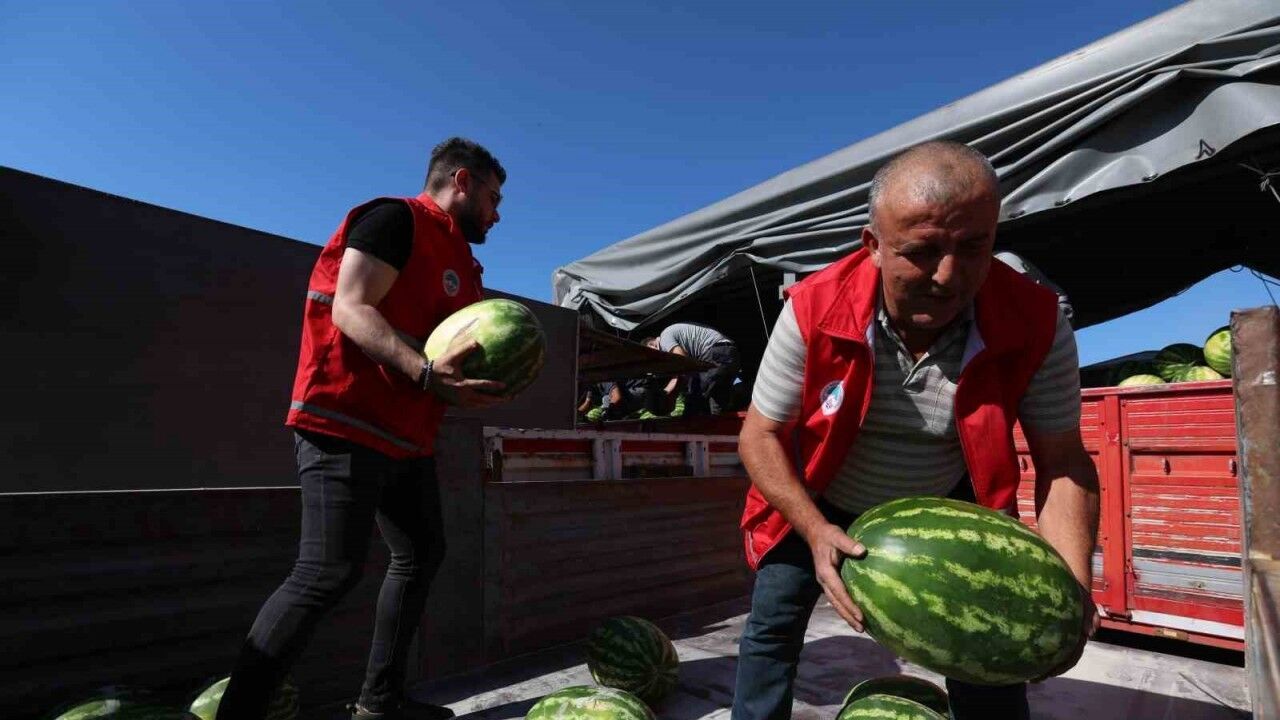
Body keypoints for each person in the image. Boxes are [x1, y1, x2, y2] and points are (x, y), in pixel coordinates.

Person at [732, 141, 1100, 720]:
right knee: (771, 630)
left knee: (987, 657)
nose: (949, 276)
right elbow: (759, 435)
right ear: (874, 246)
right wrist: (815, 529)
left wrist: (1071, 591)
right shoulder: (813, 309)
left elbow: (1064, 461)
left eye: (973, 247)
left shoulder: (1035, 319)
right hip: (818, 496)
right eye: (922, 252)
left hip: (948, 496)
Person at [218, 137, 509, 720]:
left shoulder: (461, 262)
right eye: (493, 198)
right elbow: (349, 307)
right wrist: (424, 372)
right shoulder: (394, 220)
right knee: (325, 571)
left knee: (422, 552)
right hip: (344, 419)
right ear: (462, 181)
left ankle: (380, 702)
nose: (497, 214)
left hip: (405, 435)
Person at [643, 322, 741, 415]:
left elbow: (683, 361)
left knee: (697, 398)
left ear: (651, 345)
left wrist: (669, 392)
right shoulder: (672, 336)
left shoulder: (664, 339)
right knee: (714, 398)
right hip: (728, 352)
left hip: (716, 352)